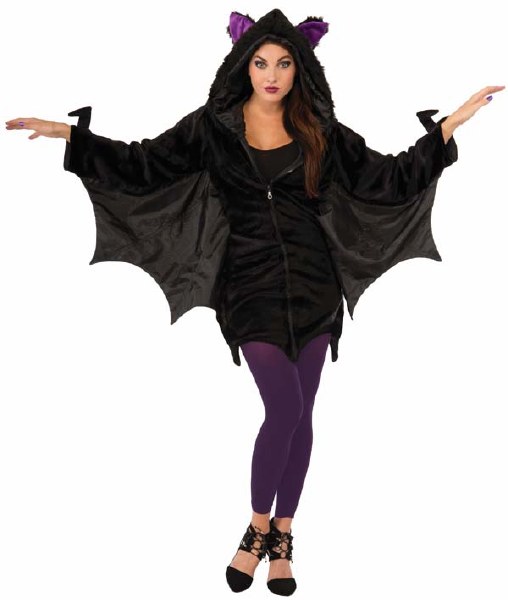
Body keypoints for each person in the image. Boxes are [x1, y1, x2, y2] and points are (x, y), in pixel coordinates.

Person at [4, 8, 504, 597]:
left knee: (304, 413)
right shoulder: (212, 127)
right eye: (261, 62)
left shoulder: (320, 130)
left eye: (284, 63)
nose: (271, 75)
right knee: (284, 408)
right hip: (248, 285)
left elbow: (387, 178)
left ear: (300, 69)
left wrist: (447, 128)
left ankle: (283, 537)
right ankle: (257, 526)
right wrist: (73, 137)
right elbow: (144, 164)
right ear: (244, 65)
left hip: (315, 286)